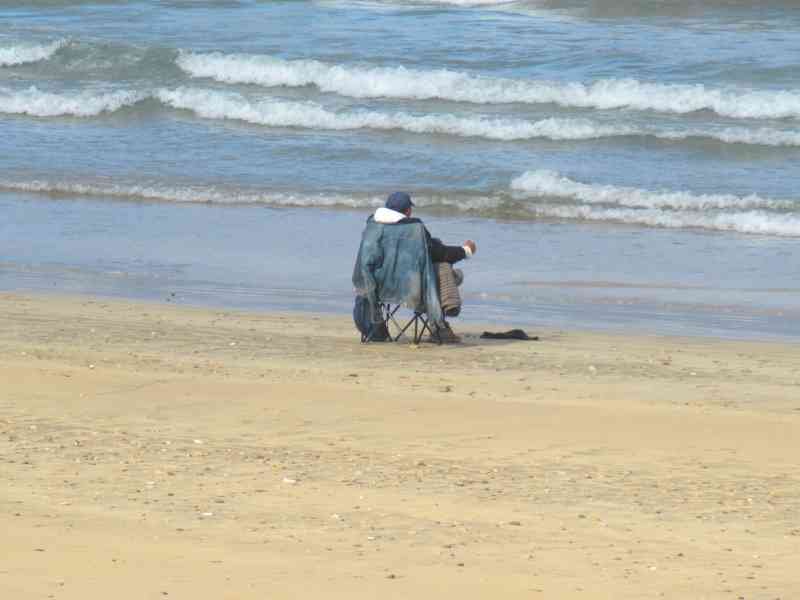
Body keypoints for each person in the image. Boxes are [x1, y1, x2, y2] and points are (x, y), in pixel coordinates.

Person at [372, 191, 477, 342]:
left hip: (379, 286)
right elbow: (440, 254)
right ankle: (440, 328)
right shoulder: (414, 228)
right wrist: (465, 251)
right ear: (408, 211)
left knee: (438, 268)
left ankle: (441, 328)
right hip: (411, 287)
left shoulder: (373, 228)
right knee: (443, 272)